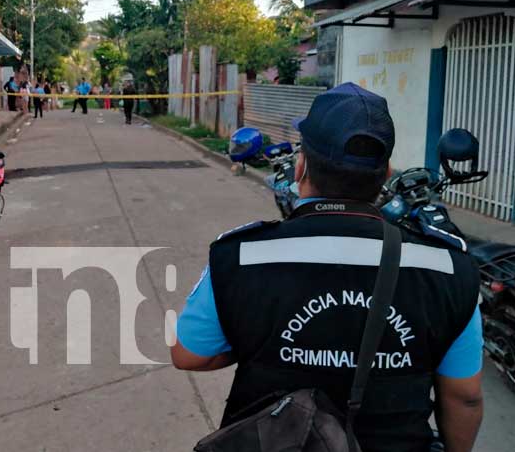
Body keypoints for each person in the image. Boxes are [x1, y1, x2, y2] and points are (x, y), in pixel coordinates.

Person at [172, 83, 483, 452]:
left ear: (301, 167)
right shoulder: (450, 269)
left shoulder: (239, 255)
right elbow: (464, 397)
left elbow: (191, 354)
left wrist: (261, 343)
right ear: (386, 174)